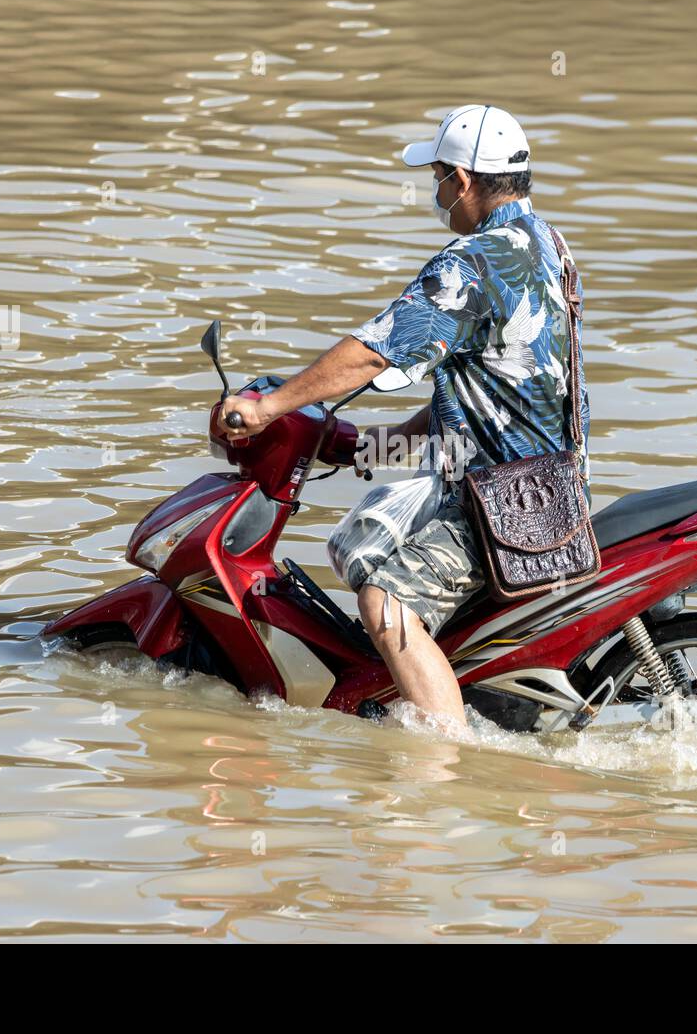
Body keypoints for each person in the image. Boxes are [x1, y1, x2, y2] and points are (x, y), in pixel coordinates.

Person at [218, 103, 589, 730]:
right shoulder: (549, 245)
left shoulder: (471, 263)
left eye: (439, 176)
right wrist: (378, 445)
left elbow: (371, 353)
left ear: (464, 180)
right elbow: (494, 380)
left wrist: (267, 407)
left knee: (383, 600)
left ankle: (443, 766)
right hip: (552, 487)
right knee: (364, 538)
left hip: (498, 507)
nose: (437, 191)